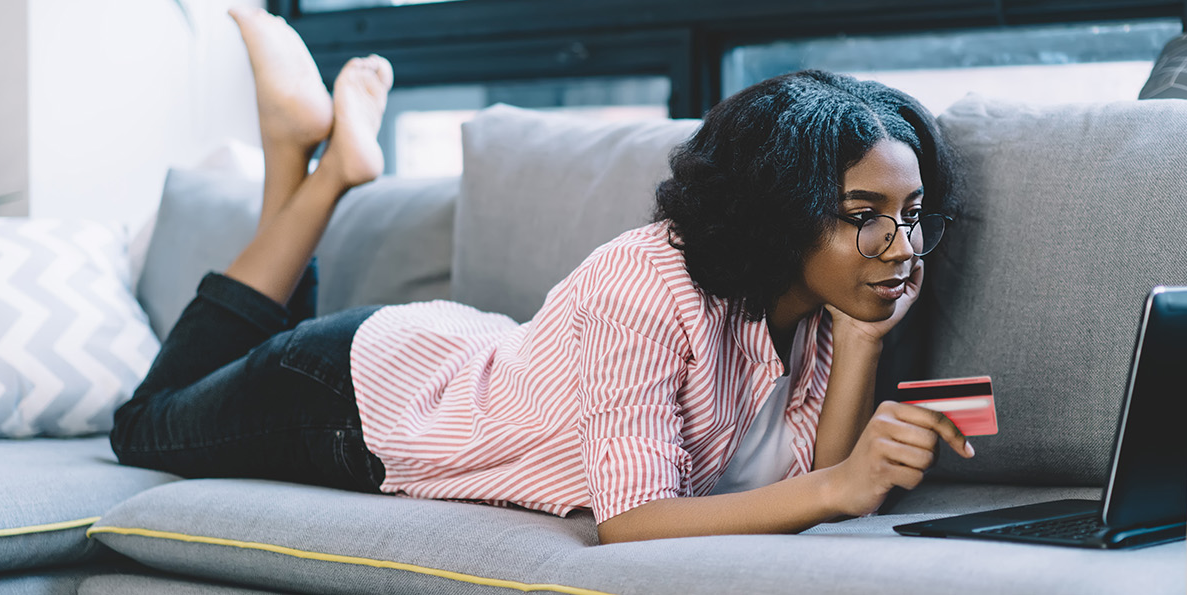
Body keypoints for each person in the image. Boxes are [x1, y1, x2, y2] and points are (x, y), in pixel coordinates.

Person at [110, 7, 975, 545]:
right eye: (864, 215)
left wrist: (863, 340)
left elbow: (802, 478)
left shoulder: (820, 305)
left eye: (910, 213)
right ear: (780, 208)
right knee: (146, 428)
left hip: (455, 355)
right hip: (355, 396)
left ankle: (296, 150)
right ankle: (322, 176)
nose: (901, 245)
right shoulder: (647, 284)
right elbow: (631, 520)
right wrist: (841, 485)